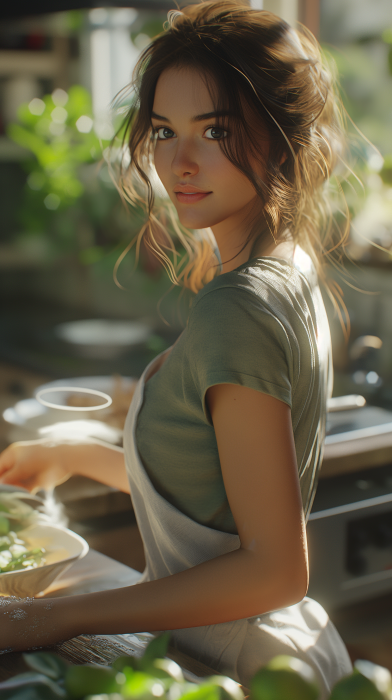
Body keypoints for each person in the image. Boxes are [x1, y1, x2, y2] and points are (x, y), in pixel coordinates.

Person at [0, 2, 352, 696]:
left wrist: (41, 621)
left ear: (281, 140)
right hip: (265, 652)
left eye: (215, 131)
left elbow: (274, 567)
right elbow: (217, 498)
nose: (178, 163)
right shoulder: (290, 268)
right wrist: (75, 455)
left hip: (234, 663)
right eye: (164, 130)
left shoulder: (239, 306)